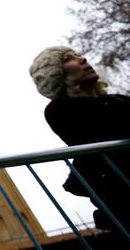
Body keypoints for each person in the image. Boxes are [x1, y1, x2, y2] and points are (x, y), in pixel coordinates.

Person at [29, 46, 129, 232]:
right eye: (69, 59)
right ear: (56, 75)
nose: (82, 59)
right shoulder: (60, 111)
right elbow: (110, 128)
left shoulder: (119, 100)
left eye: (78, 55)